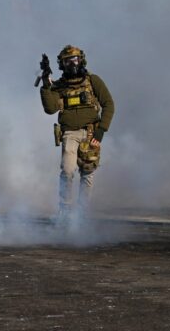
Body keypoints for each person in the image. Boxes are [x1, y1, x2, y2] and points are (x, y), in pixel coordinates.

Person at [39, 45, 114, 224]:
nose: (72, 64)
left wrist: (101, 131)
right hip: (69, 133)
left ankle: (82, 215)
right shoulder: (60, 86)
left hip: (90, 133)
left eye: (75, 59)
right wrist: (46, 84)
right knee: (67, 171)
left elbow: (109, 104)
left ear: (81, 60)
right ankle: (64, 211)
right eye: (68, 61)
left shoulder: (93, 81)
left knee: (87, 172)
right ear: (62, 64)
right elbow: (50, 108)